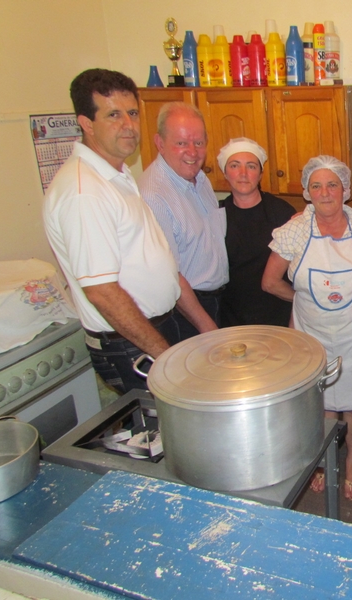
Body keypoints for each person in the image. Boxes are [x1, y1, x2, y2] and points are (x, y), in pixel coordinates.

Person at [43, 69, 214, 394]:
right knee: (167, 424)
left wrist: (206, 327)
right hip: (129, 343)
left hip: (153, 331)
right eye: (113, 115)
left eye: (132, 113)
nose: (128, 125)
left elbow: (162, 265)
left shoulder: (117, 178)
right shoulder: (85, 191)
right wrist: (163, 355)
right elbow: (102, 292)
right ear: (86, 123)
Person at [263, 155, 352, 501]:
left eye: (332, 185)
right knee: (321, 404)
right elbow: (270, 282)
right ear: (307, 193)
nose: (325, 192)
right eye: (316, 186)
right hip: (312, 333)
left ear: (345, 189)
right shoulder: (295, 230)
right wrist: (304, 298)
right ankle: (324, 463)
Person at [139, 102, 226, 342]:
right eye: (181, 143)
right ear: (160, 143)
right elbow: (171, 276)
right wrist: (207, 326)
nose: (192, 152)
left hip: (215, 301)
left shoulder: (199, 177)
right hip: (187, 313)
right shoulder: (154, 196)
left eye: (198, 143)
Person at [217, 137, 295, 327]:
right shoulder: (215, 215)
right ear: (225, 173)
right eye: (235, 166)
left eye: (251, 166)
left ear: (260, 174)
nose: (243, 173)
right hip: (232, 318)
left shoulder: (282, 213)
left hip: (278, 315)